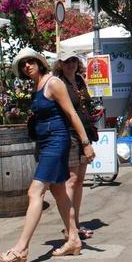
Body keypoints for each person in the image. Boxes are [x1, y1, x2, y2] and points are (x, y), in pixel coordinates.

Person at [0, 48, 96, 262]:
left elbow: (71, 114)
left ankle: (21, 248)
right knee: (59, 190)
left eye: (30, 62)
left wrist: (86, 144)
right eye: (23, 65)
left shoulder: (53, 83)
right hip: (45, 142)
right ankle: (73, 239)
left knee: (35, 192)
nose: (27, 66)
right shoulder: (37, 85)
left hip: (57, 142)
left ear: (40, 62)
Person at [53, 51, 96, 240]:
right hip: (70, 135)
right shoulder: (58, 83)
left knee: (79, 181)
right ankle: (68, 227)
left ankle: (76, 224)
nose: (70, 64)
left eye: (73, 61)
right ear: (60, 64)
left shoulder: (79, 80)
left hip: (84, 134)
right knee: (70, 181)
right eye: (66, 61)